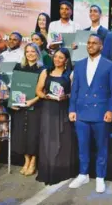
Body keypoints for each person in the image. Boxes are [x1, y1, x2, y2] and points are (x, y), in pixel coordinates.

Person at [68, 34, 112, 193]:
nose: (90, 45)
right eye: (88, 43)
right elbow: (74, 89)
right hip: (81, 112)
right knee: (82, 146)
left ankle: (100, 177)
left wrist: (110, 110)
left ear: (101, 46)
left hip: (101, 112)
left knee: (101, 146)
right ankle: (83, 174)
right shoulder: (79, 65)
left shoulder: (109, 65)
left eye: (94, 43)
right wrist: (72, 109)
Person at [35, 48, 76, 185]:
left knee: (62, 139)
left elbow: (74, 94)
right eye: (55, 56)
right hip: (48, 108)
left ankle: (61, 171)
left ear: (66, 60)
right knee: (48, 139)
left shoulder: (70, 74)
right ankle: (48, 170)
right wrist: (45, 96)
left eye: (61, 57)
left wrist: (66, 96)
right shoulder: (45, 72)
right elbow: (38, 90)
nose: (57, 59)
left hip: (63, 109)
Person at [11, 43, 45, 176]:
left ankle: (33, 162)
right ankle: (26, 160)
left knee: (33, 134)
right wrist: (12, 102)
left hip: (36, 106)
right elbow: (14, 87)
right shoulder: (19, 67)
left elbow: (43, 90)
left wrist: (32, 100)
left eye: (33, 51)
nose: (30, 54)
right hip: (20, 107)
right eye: (28, 51)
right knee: (22, 134)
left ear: (37, 53)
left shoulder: (42, 69)